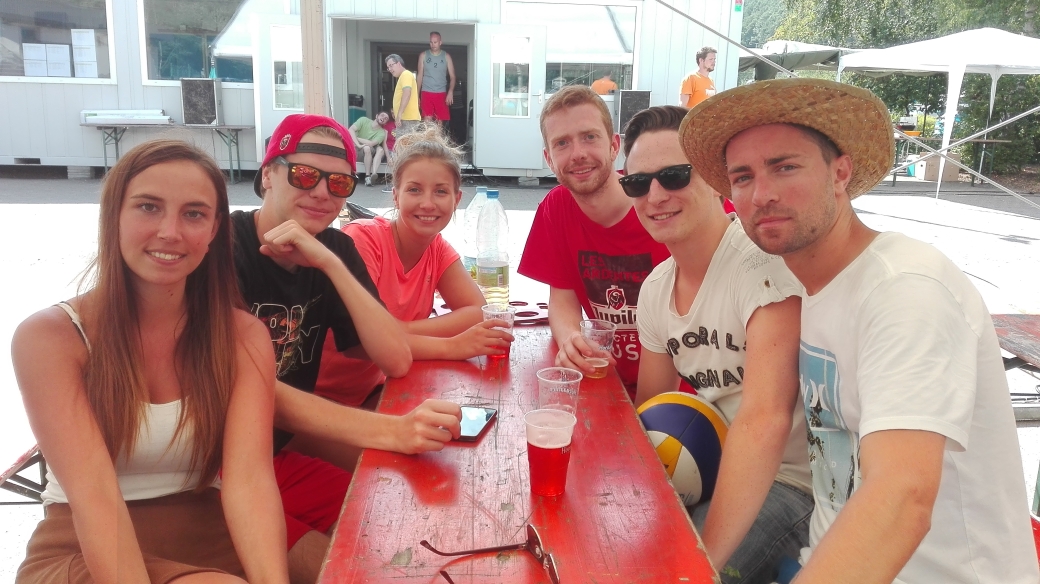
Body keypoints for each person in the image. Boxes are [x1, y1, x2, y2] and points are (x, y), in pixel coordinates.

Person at [681, 78, 1039, 583]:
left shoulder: (905, 289)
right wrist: (697, 568)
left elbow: (902, 496)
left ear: (840, 172)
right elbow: (765, 427)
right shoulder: (813, 287)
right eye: (743, 177)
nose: (762, 194)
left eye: (785, 167)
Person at [13, 140, 287, 583]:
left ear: (214, 229)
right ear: (114, 215)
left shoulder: (242, 335)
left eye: (193, 214)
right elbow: (94, 498)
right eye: (148, 207)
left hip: (208, 534)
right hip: (83, 546)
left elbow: (250, 482)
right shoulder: (51, 337)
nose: (170, 232)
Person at [239, 113, 463, 583]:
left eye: (339, 182)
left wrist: (329, 263)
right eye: (304, 174)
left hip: (275, 452)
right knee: (353, 565)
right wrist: (393, 431)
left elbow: (394, 358)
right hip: (218, 472)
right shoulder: (223, 247)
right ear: (268, 174)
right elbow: (251, 394)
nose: (322, 192)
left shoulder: (334, 249)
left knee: (401, 509)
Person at [623, 106, 811, 584]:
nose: (655, 196)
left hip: (788, 481)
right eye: (638, 183)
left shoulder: (760, 265)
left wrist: (696, 565)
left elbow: (766, 420)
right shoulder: (655, 290)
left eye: (674, 176)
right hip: (710, 465)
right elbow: (651, 407)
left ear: (713, 180)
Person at [315, 124, 513, 406]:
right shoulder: (362, 240)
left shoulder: (438, 249)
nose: (428, 203)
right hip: (322, 400)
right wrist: (451, 346)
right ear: (396, 196)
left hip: (378, 390)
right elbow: (359, 344)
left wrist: (397, 331)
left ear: (457, 200)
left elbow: (476, 312)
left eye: (440, 191)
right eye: (414, 190)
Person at [518, 85, 670, 400]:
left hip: (680, 396)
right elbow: (562, 298)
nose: (578, 154)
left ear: (614, 146)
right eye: (562, 143)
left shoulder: (660, 202)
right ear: (549, 159)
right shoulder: (556, 208)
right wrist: (572, 340)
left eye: (589, 137)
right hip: (607, 380)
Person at [416, 31, 456, 126]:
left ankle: (438, 136)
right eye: (431, 42)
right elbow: (419, 76)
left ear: (440, 42)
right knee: (427, 121)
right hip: (426, 91)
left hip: (441, 92)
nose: (433, 44)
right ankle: (428, 137)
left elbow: (453, 77)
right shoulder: (423, 55)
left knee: (439, 123)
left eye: (435, 42)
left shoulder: (446, 56)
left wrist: (450, 92)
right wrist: (416, 95)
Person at [348, 111, 390, 186]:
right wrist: (358, 144)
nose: (384, 118)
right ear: (376, 116)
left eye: (386, 118)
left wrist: (356, 138)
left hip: (369, 151)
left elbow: (371, 143)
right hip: (356, 150)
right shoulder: (363, 120)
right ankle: (369, 175)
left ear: (385, 123)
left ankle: (368, 176)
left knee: (368, 148)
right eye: (382, 115)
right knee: (367, 148)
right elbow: (350, 130)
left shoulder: (381, 133)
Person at [386, 54, 421, 134]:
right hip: (406, 119)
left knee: (404, 142)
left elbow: (407, 93)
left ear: (399, 64)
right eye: (388, 67)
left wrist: (399, 114)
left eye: (391, 65)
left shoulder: (406, 74)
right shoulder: (403, 76)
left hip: (407, 119)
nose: (390, 69)